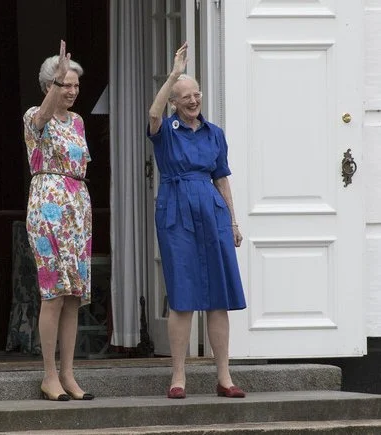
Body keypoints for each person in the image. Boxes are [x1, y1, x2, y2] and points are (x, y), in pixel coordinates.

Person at [147, 41, 247, 399]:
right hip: (176, 211)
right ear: (175, 101)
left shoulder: (215, 133)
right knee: (182, 296)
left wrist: (233, 222)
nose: (193, 100)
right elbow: (153, 114)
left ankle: (225, 377)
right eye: (185, 96)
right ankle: (178, 376)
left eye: (196, 94)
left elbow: (221, 178)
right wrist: (174, 73)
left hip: (211, 210)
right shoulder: (165, 130)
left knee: (218, 296)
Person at [23, 40, 94, 402]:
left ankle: (68, 373)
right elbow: (41, 120)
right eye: (66, 84)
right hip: (49, 206)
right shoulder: (36, 115)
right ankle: (48, 375)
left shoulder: (79, 122)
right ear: (50, 86)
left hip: (77, 208)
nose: (72, 91)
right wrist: (56, 80)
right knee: (53, 292)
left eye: (76, 86)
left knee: (73, 295)